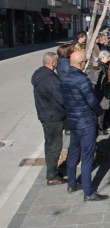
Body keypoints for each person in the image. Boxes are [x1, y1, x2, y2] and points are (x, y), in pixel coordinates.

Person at [61, 51, 107, 202]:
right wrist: (99, 112)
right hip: (85, 122)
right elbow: (92, 101)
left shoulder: (65, 78)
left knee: (73, 152)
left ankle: (72, 183)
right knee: (87, 157)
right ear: (81, 64)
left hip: (73, 122)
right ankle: (88, 192)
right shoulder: (82, 80)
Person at [32, 52, 67, 186]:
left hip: (46, 114)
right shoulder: (51, 79)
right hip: (52, 116)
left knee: (49, 144)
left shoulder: (40, 74)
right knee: (54, 146)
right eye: (56, 61)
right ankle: (52, 176)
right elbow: (62, 99)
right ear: (52, 63)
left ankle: (52, 171)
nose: (58, 63)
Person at [86, 50, 110, 135]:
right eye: (108, 57)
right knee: (101, 109)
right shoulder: (101, 66)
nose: (109, 59)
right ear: (103, 57)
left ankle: (101, 126)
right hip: (100, 92)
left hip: (101, 91)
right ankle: (100, 128)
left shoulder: (103, 65)